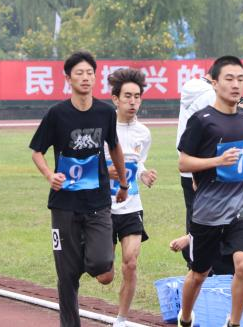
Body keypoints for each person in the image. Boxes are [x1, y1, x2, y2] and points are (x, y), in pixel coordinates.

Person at [29, 51, 128, 327]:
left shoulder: (105, 112)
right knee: (67, 276)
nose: (85, 78)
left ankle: (82, 257)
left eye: (90, 73)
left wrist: (123, 182)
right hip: (64, 205)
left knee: (101, 264)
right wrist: (50, 175)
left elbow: (114, 147)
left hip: (98, 201)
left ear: (95, 77)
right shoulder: (57, 114)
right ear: (68, 79)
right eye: (79, 73)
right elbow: (37, 151)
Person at [176, 55, 243, 327]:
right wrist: (217, 161)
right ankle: (185, 317)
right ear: (215, 83)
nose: (235, 84)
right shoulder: (202, 120)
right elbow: (184, 162)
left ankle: (234, 323)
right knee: (199, 273)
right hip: (208, 210)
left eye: (240, 79)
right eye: (229, 79)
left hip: (240, 205)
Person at [104, 68, 157, 327]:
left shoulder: (143, 133)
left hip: (131, 206)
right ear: (115, 99)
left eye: (137, 96)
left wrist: (143, 174)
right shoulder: (103, 128)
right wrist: (106, 172)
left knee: (131, 263)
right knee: (104, 274)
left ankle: (121, 319)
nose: (133, 101)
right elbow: (90, 164)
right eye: (127, 96)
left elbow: (139, 162)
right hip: (103, 208)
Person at [175, 68, 216, 266]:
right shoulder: (210, 95)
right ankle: (201, 266)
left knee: (193, 215)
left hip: (188, 164)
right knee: (206, 219)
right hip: (202, 168)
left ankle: (193, 262)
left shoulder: (190, 89)